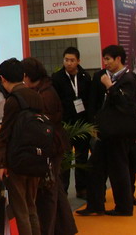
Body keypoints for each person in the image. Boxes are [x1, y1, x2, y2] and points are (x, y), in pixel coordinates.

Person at [77, 45, 136, 217]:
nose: (105, 62)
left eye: (108, 59)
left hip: (119, 132)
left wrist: (110, 87)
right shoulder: (107, 77)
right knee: (95, 167)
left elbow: (125, 104)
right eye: (104, 59)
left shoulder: (128, 79)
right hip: (107, 132)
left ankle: (124, 207)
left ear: (118, 59)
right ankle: (95, 205)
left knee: (119, 169)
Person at [23, 57, 77, 235]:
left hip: (51, 146)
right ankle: (65, 228)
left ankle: (49, 230)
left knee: (49, 193)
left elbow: (45, 122)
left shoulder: (44, 94)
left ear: (28, 76)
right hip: (54, 144)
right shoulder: (44, 89)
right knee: (56, 189)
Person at [0, 58, 44, 235]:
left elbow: (6, 134)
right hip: (36, 157)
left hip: (18, 160)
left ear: (2, 79)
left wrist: (1, 163)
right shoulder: (36, 96)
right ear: (23, 75)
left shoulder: (13, 100)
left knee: (21, 209)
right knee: (31, 206)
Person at [51, 47, 93, 198]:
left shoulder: (85, 76)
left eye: (72, 60)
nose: (68, 63)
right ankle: (63, 190)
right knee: (65, 158)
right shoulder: (56, 78)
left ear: (78, 61)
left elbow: (89, 99)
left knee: (82, 157)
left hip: (82, 123)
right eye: (66, 60)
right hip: (65, 125)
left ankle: (82, 188)